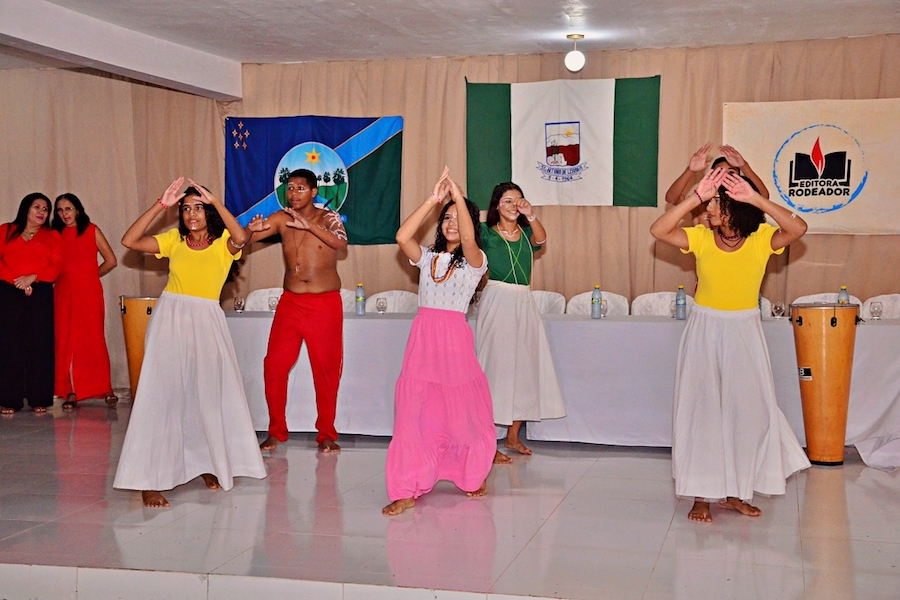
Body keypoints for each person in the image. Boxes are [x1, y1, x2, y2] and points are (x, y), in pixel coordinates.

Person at [650, 167, 811, 523]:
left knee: (747, 413)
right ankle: (703, 495)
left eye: (714, 205)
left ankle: (738, 491)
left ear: (733, 209)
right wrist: (696, 195)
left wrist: (755, 197)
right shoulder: (702, 238)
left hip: (744, 331)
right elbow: (658, 230)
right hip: (705, 329)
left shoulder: (761, 239)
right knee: (703, 410)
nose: (707, 210)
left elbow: (798, 229)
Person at [114, 178, 267, 508]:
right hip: (171, 318)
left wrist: (216, 201)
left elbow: (242, 236)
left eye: (199, 208)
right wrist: (161, 204)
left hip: (207, 320)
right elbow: (129, 240)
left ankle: (206, 464)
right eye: (186, 209)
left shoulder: (225, 241)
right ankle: (148, 480)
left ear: (209, 212)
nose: (192, 214)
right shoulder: (173, 240)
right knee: (162, 397)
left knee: (207, 395)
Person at [382, 168, 495, 516]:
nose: (450, 223)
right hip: (423, 339)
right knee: (413, 414)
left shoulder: (476, 262)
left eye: (457, 219)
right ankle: (405, 487)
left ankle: (471, 473)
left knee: (462, 414)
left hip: (454, 340)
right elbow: (402, 236)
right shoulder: (428, 259)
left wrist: (458, 198)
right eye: (445, 219)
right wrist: (434, 200)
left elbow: (470, 238)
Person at [250, 168, 348, 454]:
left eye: (300, 188)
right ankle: (276, 431)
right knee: (274, 366)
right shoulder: (281, 218)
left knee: (326, 371)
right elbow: (243, 240)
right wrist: (249, 230)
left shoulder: (328, 218)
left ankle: (327, 434)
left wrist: (309, 226)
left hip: (324, 303)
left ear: (314, 192)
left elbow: (341, 244)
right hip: (291, 303)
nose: (293, 193)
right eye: (290, 188)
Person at [475, 182, 565, 462]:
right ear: (496, 206)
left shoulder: (526, 233)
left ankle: (513, 436)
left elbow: (542, 239)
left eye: (518, 200)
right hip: (497, 299)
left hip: (524, 301)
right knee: (495, 367)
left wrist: (532, 215)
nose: (513, 205)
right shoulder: (486, 234)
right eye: (507, 201)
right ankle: (485, 442)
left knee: (525, 366)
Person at [51, 193, 118, 410]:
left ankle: (105, 388)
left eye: (68, 209)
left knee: (93, 338)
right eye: (60, 210)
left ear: (77, 209)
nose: (65, 214)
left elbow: (111, 261)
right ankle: (70, 391)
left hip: (88, 292)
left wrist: (90, 275)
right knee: (66, 341)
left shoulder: (91, 230)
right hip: (62, 292)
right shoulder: (54, 235)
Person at [0, 193, 62, 415]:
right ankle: (9, 399)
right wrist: (17, 281)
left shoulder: (52, 235)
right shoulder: (5, 230)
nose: (42, 212)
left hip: (40, 291)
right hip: (8, 291)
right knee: (10, 345)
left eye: (46, 209)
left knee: (40, 344)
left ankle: (40, 398)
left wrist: (32, 278)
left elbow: (56, 265)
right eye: (37, 207)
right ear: (25, 208)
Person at [665, 143, 769, 226]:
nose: (724, 176)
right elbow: (672, 198)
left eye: (731, 172)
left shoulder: (742, 203)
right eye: (719, 172)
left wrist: (744, 166)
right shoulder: (702, 202)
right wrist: (690, 170)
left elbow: (764, 197)